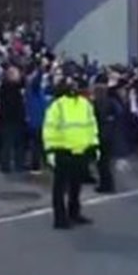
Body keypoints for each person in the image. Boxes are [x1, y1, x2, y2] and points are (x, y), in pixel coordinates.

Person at [42, 77, 99, 229]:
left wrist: (94, 146)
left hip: (81, 150)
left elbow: (91, 126)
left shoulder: (85, 104)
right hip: (62, 151)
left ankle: (74, 213)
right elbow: (49, 130)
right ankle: (60, 218)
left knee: (76, 185)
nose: (73, 88)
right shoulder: (56, 106)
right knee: (60, 187)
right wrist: (50, 151)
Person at [0, 66, 27, 174]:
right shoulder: (11, 88)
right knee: (12, 143)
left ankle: (9, 165)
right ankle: (15, 165)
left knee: (10, 143)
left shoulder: (4, 87)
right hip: (13, 118)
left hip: (8, 118)